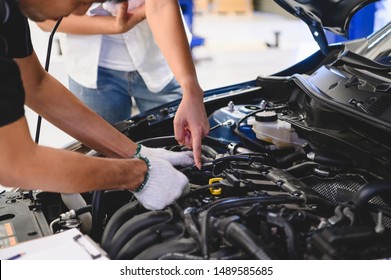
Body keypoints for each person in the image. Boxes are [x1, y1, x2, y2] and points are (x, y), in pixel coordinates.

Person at [0, 0, 209, 211]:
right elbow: (15, 163)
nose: (82, 11)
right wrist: (138, 174)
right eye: (82, 1)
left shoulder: (11, 13)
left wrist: (136, 154)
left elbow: (36, 85)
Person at [37, 1, 188, 125]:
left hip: (159, 61)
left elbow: (161, 5)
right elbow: (45, 18)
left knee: (183, 145)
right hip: (91, 72)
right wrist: (115, 26)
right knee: (106, 154)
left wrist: (191, 89)